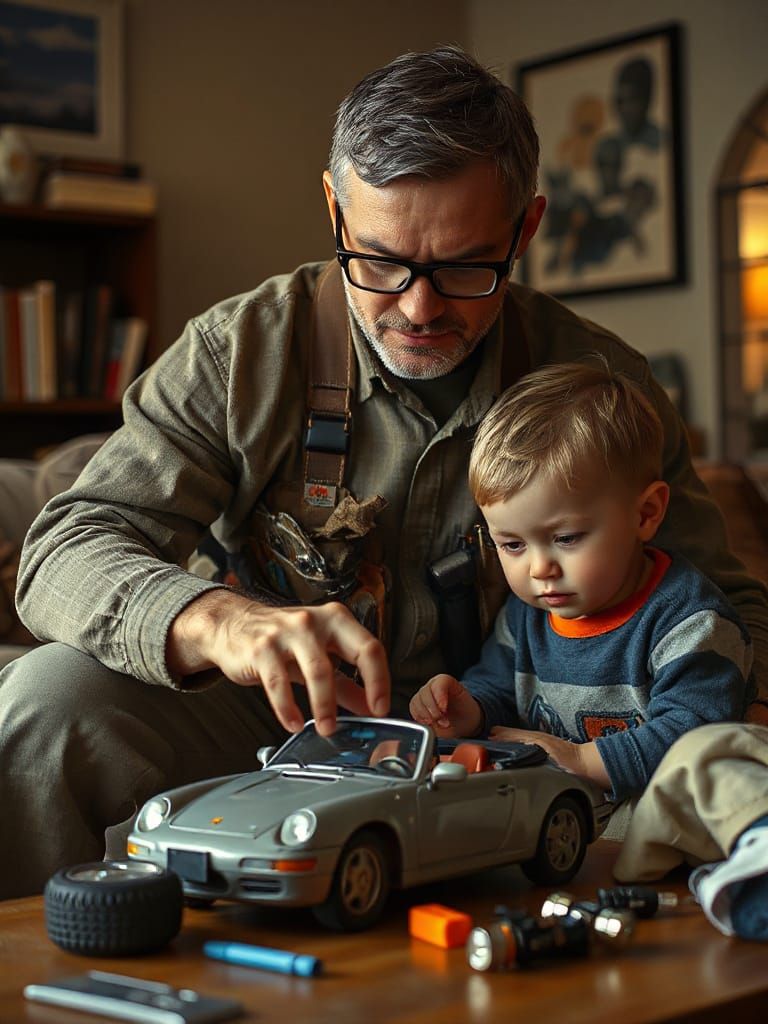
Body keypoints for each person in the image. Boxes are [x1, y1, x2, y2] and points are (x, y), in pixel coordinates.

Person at [1, 44, 767, 901]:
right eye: (380, 261)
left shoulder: (605, 384)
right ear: (334, 208)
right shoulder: (240, 353)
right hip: (289, 726)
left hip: (515, 746)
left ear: (528, 228)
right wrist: (220, 622)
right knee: (48, 696)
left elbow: (730, 610)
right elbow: (65, 547)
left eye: (466, 267)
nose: (418, 308)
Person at [409, 362, 755, 801]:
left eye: (566, 538)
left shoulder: (690, 622)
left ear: (645, 514)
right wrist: (468, 709)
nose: (539, 569)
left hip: (676, 806)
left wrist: (580, 760)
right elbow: (499, 687)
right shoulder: (527, 615)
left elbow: (697, 736)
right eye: (512, 545)